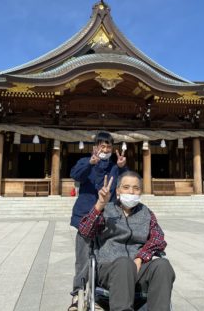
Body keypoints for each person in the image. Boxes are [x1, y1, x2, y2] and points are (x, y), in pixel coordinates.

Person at [79, 171, 175, 311]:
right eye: (126, 187)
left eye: (136, 188)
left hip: (138, 269)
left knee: (162, 265)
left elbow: (158, 238)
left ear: (140, 191)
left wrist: (140, 258)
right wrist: (100, 204)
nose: (131, 191)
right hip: (110, 268)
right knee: (124, 263)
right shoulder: (106, 210)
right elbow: (85, 231)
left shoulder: (146, 213)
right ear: (118, 190)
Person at [68, 131, 128, 311]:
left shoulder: (115, 166)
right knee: (83, 259)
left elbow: (125, 184)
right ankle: (78, 294)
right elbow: (76, 176)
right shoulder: (86, 161)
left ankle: (99, 295)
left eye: (109, 146)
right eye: (102, 146)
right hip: (85, 217)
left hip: (107, 218)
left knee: (104, 257)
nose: (106, 149)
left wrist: (123, 168)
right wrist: (90, 162)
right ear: (95, 147)